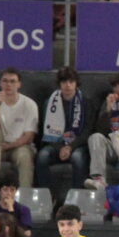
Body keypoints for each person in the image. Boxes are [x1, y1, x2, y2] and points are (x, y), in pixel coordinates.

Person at [36, 66, 89, 203]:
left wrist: (70, 147)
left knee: (78, 158)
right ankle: (48, 198)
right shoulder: (50, 103)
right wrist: (60, 148)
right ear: (59, 84)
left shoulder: (86, 103)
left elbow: (87, 131)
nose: (68, 85)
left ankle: (77, 199)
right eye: (64, 82)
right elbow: (46, 130)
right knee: (42, 156)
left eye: (71, 82)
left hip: (77, 145)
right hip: (56, 144)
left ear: (76, 83)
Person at [0, 67, 37, 188]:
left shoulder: (29, 104)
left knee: (24, 156)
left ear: (19, 84)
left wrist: (9, 146)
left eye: (12, 81)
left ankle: (24, 193)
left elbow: (29, 136)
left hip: (20, 146)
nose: (8, 85)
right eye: (5, 81)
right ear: (0, 83)